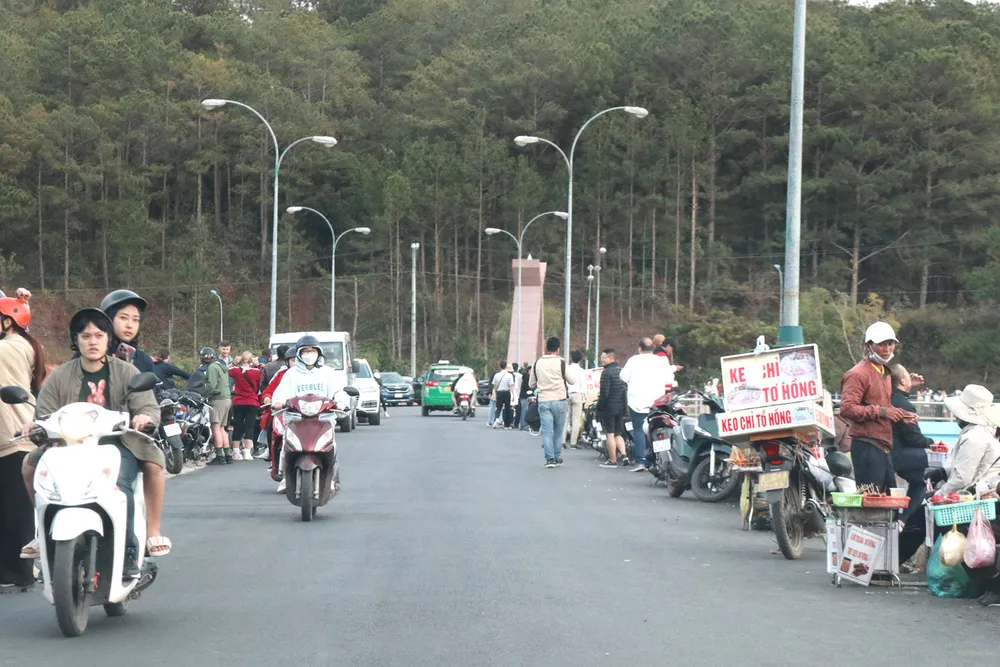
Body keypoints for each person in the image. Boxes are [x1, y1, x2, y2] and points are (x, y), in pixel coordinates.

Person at [20, 308, 170, 577]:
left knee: (120, 485)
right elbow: (44, 411)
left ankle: (130, 550)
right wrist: (36, 424)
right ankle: (42, 534)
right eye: (86, 335)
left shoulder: (127, 371)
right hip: (68, 445)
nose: (92, 341)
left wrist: (144, 417)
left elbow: (147, 405)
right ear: (75, 339)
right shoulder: (60, 375)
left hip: (119, 444)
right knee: (31, 466)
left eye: (99, 335)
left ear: (108, 339)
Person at [898, 386, 1000, 598]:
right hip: (977, 492)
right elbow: (959, 467)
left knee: (947, 528)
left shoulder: (975, 437)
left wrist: (939, 495)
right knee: (927, 522)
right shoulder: (976, 433)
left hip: (978, 494)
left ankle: (988, 583)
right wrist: (941, 473)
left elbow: (962, 477)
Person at [0, 289, 46, 589]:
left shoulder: (9, 348)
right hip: (17, 435)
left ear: (7, 323)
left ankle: (18, 572)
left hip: (14, 436)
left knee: (14, 512)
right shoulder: (24, 343)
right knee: (13, 510)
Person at [839, 322, 917, 493]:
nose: (887, 349)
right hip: (866, 444)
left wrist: (901, 415)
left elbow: (884, 405)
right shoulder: (857, 374)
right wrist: (883, 412)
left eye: (890, 344)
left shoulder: (884, 372)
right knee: (871, 500)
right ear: (868, 346)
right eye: (881, 344)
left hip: (882, 444)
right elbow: (847, 408)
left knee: (889, 498)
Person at [272, 336, 344, 493]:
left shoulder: (328, 373)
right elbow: (280, 393)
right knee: (287, 445)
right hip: (296, 419)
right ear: (298, 353)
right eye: (305, 351)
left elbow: (339, 392)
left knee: (331, 446)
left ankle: (331, 478)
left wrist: (341, 403)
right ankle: (285, 477)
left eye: (312, 351)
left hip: (323, 419)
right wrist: (278, 402)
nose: (309, 354)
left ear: (319, 353)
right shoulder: (291, 374)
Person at [620, 337, 675, 473]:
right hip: (657, 403)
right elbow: (669, 379)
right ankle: (659, 460)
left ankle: (641, 461)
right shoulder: (661, 360)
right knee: (658, 430)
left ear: (640, 348)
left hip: (637, 402)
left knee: (639, 430)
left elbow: (623, 377)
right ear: (653, 348)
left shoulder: (634, 360)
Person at [889, 364, 931, 520]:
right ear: (902, 381)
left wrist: (907, 383)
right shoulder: (904, 405)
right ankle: (907, 519)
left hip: (887, 451)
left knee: (917, 477)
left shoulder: (887, 397)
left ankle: (905, 518)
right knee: (924, 475)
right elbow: (914, 438)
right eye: (907, 374)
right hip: (895, 454)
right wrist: (931, 443)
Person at [529, 338, 579, 468]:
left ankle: (549, 459)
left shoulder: (537, 363)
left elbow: (531, 384)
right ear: (558, 349)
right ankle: (556, 457)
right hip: (559, 400)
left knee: (547, 431)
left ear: (546, 347)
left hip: (544, 400)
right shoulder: (561, 363)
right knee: (558, 431)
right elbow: (572, 380)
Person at [100, 289, 155, 374]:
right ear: (108, 320)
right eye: (123, 318)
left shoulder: (144, 360)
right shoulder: (92, 353)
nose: (130, 325)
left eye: (135, 320)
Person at [596, 348, 628, 468]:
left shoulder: (606, 373)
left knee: (610, 434)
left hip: (609, 407)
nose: (601, 360)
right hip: (621, 407)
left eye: (603, 357)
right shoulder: (621, 371)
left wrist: (599, 407)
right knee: (618, 434)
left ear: (610, 358)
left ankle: (613, 459)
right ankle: (624, 455)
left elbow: (604, 393)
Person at [229, 351, 262, 461]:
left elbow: (226, 370)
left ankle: (236, 452)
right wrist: (257, 364)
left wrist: (234, 363)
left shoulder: (235, 371)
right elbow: (263, 375)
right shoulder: (256, 372)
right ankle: (247, 452)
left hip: (238, 401)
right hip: (252, 401)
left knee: (237, 426)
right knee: (249, 427)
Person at [203, 347, 233, 465]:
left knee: (215, 427)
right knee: (222, 428)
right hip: (227, 398)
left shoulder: (212, 368)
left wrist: (206, 392)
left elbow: (212, 385)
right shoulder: (221, 366)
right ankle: (228, 455)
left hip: (218, 399)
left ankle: (220, 456)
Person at [564, 351, 586, 449]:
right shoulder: (582, 371)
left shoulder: (566, 369)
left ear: (571, 358)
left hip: (566, 394)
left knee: (566, 419)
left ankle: (562, 442)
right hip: (577, 395)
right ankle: (573, 443)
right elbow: (584, 386)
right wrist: (584, 397)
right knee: (576, 419)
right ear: (580, 359)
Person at [493, 361, 515, 429]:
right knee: (507, 408)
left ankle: (496, 419)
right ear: (506, 366)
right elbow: (511, 386)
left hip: (499, 392)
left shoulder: (496, 375)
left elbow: (495, 386)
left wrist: (495, 393)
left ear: (500, 366)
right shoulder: (509, 375)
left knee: (498, 407)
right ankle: (506, 424)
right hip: (506, 392)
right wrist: (513, 394)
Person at [485, 361, 501, 427]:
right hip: (502, 392)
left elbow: (490, 384)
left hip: (494, 392)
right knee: (501, 408)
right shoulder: (506, 374)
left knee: (492, 407)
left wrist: (489, 392)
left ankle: (490, 421)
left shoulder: (494, 374)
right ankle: (499, 421)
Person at [517, 363, 532, 430]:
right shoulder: (527, 377)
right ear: (529, 371)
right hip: (525, 396)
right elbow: (527, 387)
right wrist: (532, 389)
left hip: (523, 396)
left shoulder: (525, 377)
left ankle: (523, 424)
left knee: (524, 410)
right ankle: (523, 424)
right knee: (524, 410)